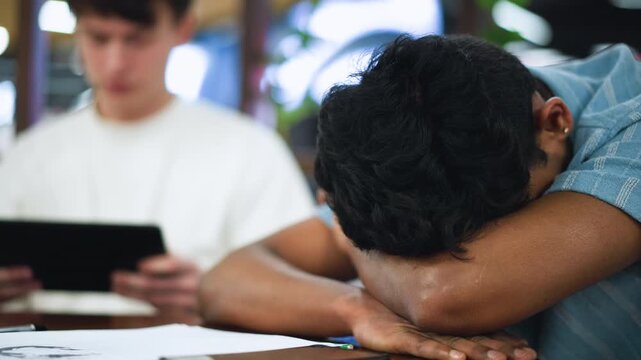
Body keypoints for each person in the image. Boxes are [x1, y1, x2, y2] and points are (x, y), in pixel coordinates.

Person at [199, 35, 641, 359]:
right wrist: (357, 310)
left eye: (493, 226)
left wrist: (351, 233)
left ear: (555, 122)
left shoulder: (631, 129)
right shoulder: (421, 145)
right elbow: (224, 282)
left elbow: (439, 297)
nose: (448, 255)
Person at [0, 0, 315, 315]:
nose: (115, 63)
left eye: (136, 39)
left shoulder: (250, 149)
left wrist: (216, 294)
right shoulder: (30, 154)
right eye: (98, 38)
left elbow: (302, 281)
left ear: (183, 29)